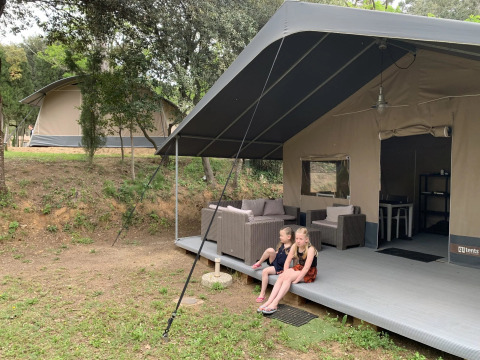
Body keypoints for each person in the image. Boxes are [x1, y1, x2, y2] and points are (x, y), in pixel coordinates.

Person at [257, 227, 318, 314]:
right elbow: (287, 261)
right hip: (299, 267)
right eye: (297, 238)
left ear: (306, 239)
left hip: (308, 272)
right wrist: (285, 273)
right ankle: (269, 301)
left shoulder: (311, 249)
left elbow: (306, 268)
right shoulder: (295, 246)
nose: (298, 241)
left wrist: (296, 280)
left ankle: (275, 303)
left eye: (301, 239)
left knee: (288, 278)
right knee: (282, 276)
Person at [251, 226, 294, 303]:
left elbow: (295, 260)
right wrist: (274, 253)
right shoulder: (282, 244)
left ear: (289, 237)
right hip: (275, 261)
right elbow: (278, 253)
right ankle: (259, 263)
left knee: (265, 271)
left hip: (279, 267)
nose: (279, 237)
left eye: (281, 236)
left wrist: (289, 271)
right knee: (270, 250)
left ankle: (262, 294)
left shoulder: (292, 248)